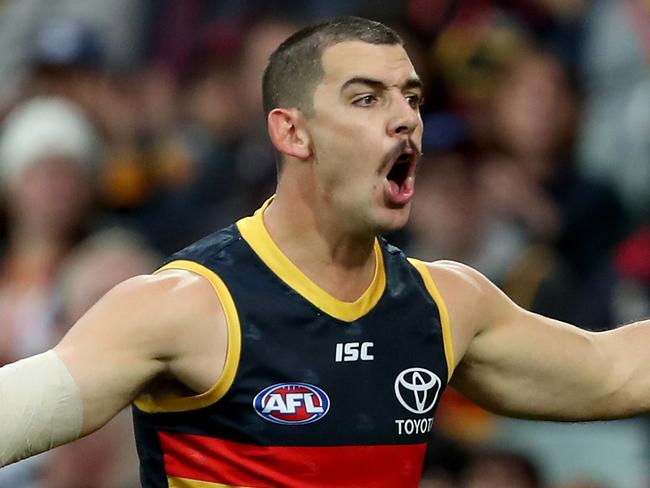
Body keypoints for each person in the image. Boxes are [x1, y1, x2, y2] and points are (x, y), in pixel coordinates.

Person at [0, 16, 649, 488]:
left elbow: (612, 371)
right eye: (367, 98)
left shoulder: (446, 303)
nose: (405, 120)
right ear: (292, 131)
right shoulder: (190, 304)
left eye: (412, 100)